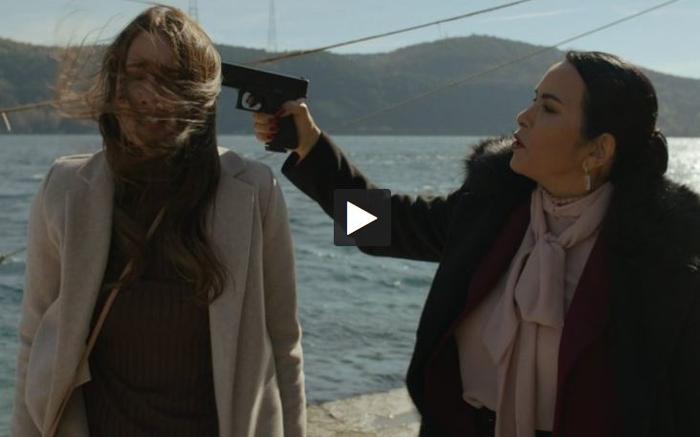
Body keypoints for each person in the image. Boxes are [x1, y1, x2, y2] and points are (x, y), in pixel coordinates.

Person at [254, 51, 700, 437]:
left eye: (548, 108)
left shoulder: (666, 260)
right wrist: (309, 146)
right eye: (533, 100)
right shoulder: (492, 207)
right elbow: (380, 226)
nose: (523, 117)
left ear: (598, 150)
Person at [12, 6, 305, 437]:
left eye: (172, 78)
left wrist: (318, 157)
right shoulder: (67, 189)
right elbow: (34, 340)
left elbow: (283, 343)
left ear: (200, 94)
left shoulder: (253, 192)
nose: (150, 94)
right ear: (115, 81)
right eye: (137, 73)